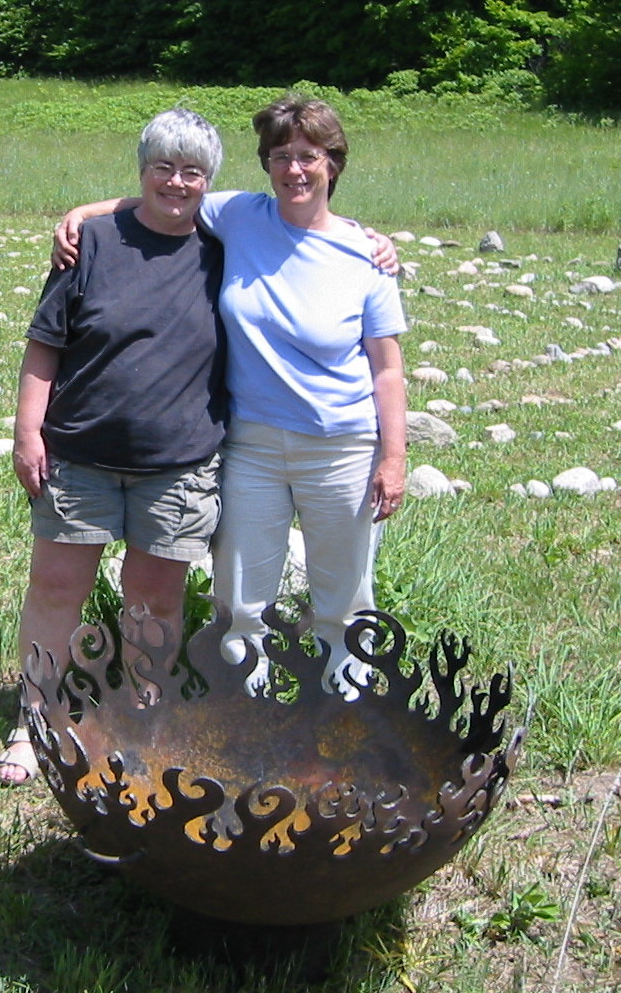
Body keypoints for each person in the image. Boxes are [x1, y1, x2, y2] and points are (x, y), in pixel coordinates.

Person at [52, 95, 408, 697]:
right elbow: (165, 194)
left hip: (343, 447)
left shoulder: (364, 255)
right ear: (266, 165)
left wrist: (393, 457)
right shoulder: (240, 215)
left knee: (345, 601)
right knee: (240, 599)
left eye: (308, 157)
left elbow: (388, 371)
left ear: (333, 164)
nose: (294, 170)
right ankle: (250, 712)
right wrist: (80, 213)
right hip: (251, 445)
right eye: (280, 157)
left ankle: (348, 717)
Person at [0, 108, 229, 787]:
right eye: (163, 167)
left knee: (154, 597)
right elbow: (46, 342)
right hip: (80, 454)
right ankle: (35, 721)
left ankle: (141, 720)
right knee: (57, 586)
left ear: (208, 181)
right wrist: (27, 430)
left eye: (191, 171)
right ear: (141, 170)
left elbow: (302, 213)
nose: (176, 183)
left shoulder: (224, 245)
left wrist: (372, 241)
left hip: (178, 464)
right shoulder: (89, 242)